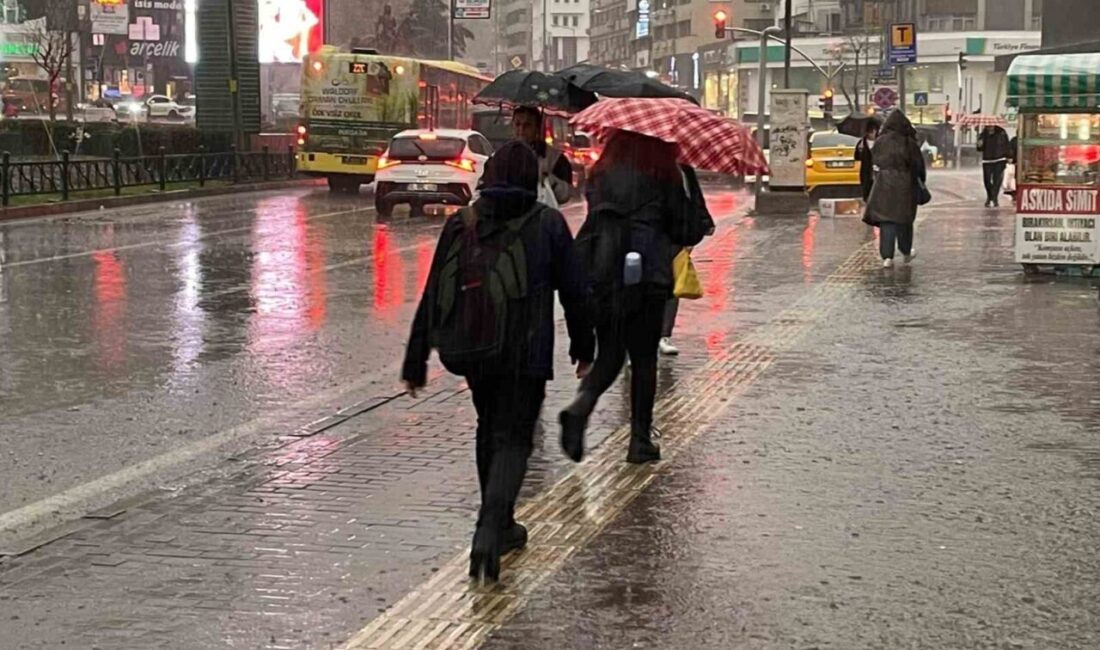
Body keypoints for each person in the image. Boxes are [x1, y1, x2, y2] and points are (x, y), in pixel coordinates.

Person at [402, 142, 594, 582]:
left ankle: (502, 524)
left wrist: (416, 359)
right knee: (514, 440)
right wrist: (585, 348)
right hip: (525, 353)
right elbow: (576, 292)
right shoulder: (546, 223)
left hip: (473, 350)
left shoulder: (462, 222)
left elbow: (434, 293)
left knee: (490, 428)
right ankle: (490, 530)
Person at [559, 131, 707, 465]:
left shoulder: (601, 174)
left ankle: (581, 407)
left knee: (610, 353)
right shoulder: (665, 173)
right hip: (648, 275)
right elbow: (686, 228)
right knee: (643, 359)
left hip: (605, 272)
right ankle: (639, 440)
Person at [660, 165, 715, 356]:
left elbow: (694, 198)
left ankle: (664, 335)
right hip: (643, 234)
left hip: (674, 235)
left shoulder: (683, 170)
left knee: (672, 283)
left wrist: (703, 223)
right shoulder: (637, 166)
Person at [864, 110, 926, 269]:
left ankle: (887, 257)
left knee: (887, 221)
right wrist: (920, 180)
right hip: (905, 184)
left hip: (883, 183)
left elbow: (875, 159)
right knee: (904, 219)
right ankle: (905, 251)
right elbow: (917, 164)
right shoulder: (908, 142)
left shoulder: (881, 141)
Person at [511, 105, 573, 207]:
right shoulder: (502, 155)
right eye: (517, 124)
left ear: (537, 128)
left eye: (527, 125)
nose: (521, 130)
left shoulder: (555, 158)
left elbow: (565, 195)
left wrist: (548, 179)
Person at [977, 124, 1011, 207]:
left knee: (997, 180)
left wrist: (1009, 156)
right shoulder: (983, 134)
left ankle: (993, 198)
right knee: (987, 180)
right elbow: (979, 148)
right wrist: (979, 145)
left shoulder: (1001, 132)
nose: (989, 127)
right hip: (987, 160)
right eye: (988, 126)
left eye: (991, 126)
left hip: (999, 159)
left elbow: (1007, 145)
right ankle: (990, 196)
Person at [854, 120, 879, 201]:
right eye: (870, 131)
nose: (872, 134)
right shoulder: (862, 143)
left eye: (874, 131)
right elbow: (857, 157)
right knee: (867, 192)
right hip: (866, 171)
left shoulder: (880, 142)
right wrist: (860, 150)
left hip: (878, 171)